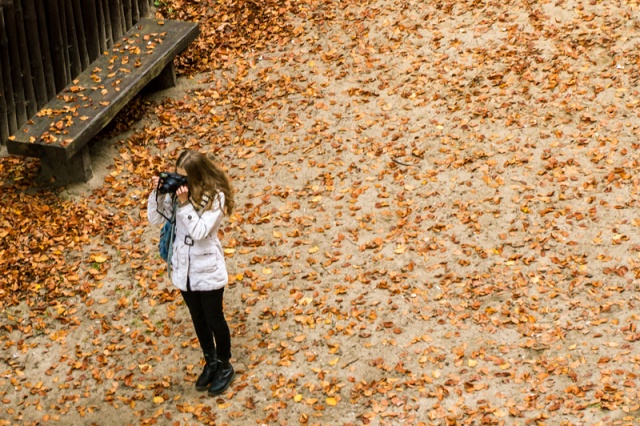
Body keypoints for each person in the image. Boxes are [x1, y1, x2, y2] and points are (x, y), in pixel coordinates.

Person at [147, 149, 236, 396]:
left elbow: (199, 233)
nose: (181, 182)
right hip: (184, 269)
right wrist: (158, 192)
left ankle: (225, 365)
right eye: (178, 176)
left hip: (206, 269)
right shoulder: (178, 194)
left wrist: (185, 203)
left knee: (214, 319)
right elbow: (155, 219)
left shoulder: (214, 197)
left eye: (185, 178)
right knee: (198, 319)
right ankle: (211, 361)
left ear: (197, 176)